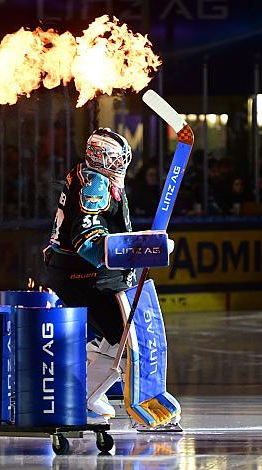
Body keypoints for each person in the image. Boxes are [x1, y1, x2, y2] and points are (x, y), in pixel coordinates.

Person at [43, 128, 180, 430]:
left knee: (115, 339)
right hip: (83, 275)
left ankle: (86, 396)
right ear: (101, 158)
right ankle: (81, 399)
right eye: (116, 159)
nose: (121, 165)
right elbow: (89, 245)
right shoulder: (95, 185)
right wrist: (139, 249)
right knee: (124, 340)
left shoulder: (88, 174)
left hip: (80, 272)